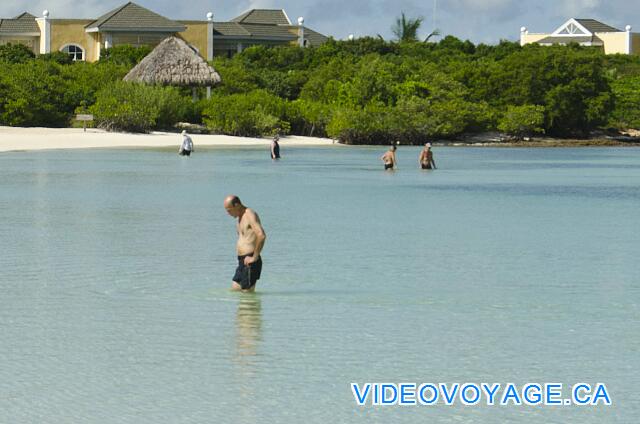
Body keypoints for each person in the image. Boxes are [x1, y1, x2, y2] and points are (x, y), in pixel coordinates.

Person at [224, 195, 267, 292]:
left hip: (250, 261)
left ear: (237, 205)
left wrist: (254, 257)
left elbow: (261, 235)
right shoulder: (239, 218)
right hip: (242, 261)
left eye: (229, 210)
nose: (228, 213)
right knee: (235, 291)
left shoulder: (249, 214)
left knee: (247, 299)